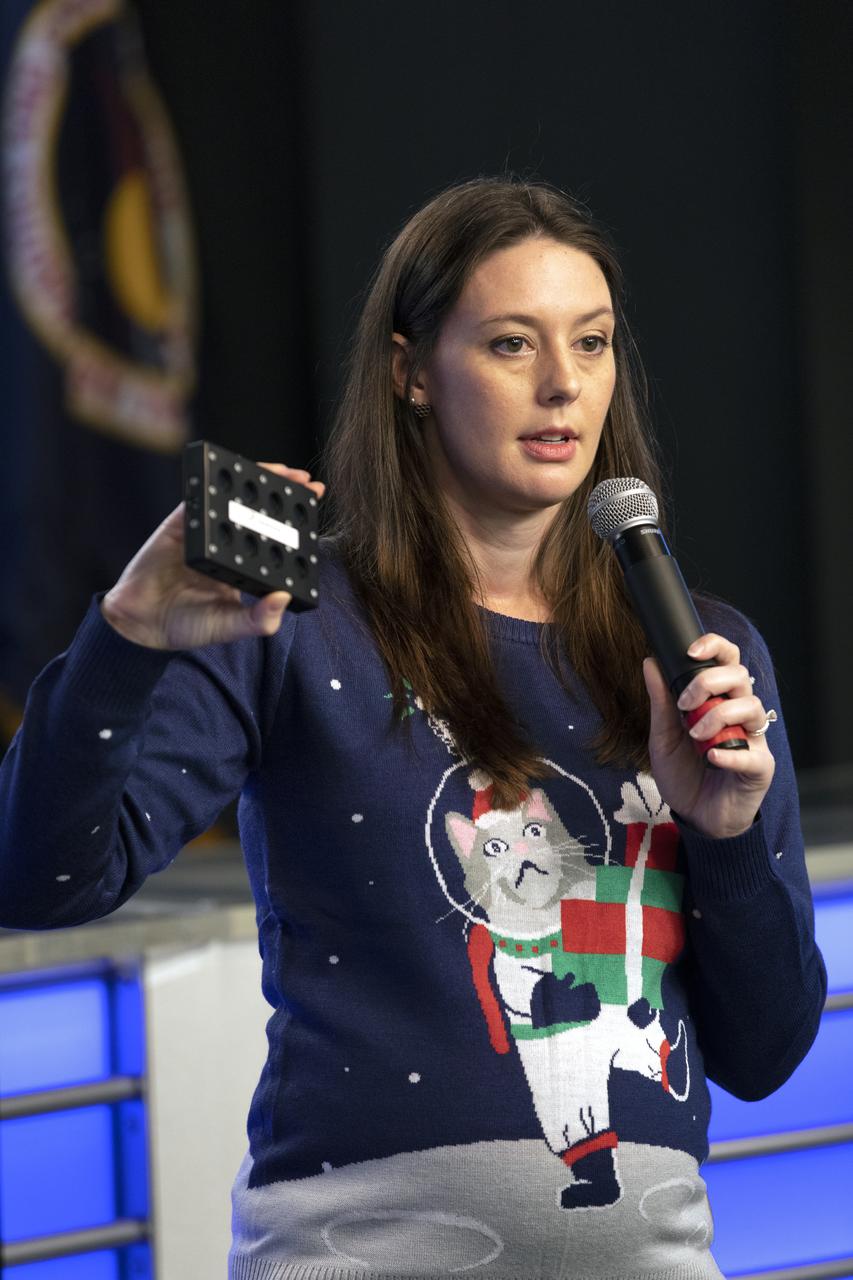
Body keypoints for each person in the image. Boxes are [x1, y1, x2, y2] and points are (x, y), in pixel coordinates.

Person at [0, 179, 826, 1280]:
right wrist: (126, 639)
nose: (562, 384)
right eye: (508, 343)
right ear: (410, 371)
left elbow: (767, 1054)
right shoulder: (289, 617)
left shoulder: (695, 655)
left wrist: (724, 831)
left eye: (590, 342)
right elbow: (38, 881)